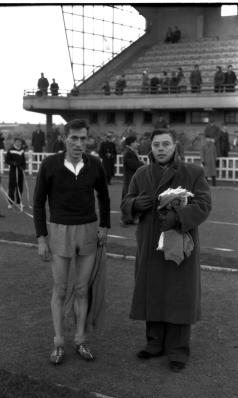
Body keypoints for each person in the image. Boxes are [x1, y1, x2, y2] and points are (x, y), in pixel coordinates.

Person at [121, 128, 211, 372]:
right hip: (150, 244)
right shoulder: (141, 173)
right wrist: (134, 205)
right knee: (154, 292)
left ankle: (178, 351)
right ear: (150, 148)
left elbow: (204, 204)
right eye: (156, 145)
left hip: (180, 245)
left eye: (165, 144)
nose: (160, 149)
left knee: (179, 295)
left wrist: (178, 217)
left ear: (175, 146)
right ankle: (154, 344)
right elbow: (125, 203)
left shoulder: (192, 172)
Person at [33, 119, 110, 365]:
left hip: (87, 229)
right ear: (65, 138)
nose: (79, 143)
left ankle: (80, 339)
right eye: (74, 138)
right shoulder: (50, 164)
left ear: (88, 139)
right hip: (59, 231)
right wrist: (41, 238)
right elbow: (38, 202)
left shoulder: (95, 164)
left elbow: (105, 197)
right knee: (60, 289)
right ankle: (58, 342)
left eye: (83, 138)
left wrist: (104, 226)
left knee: (81, 289)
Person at [120, 136, 144, 225]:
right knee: (129, 199)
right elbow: (133, 165)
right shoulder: (128, 153)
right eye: (135, 142)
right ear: (131, 143)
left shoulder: (131, 152)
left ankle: (132, 218)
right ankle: (126, 219)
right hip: (130, 180)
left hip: (131, 179)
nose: (137, 143)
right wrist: (142, 163)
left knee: (132, 199)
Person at [5, 138, 26, 208]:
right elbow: (7, 160)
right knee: (12, 187)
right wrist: (13, 163)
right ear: (15, 142)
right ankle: (10, 203)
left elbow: (23, 160)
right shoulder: (11, 150)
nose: (19, 143)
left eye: (20, 142)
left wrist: (24, 167)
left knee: (20, 187)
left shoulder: (22, 150)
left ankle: (18, 202)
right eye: (18, 142)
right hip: (13, 171)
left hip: (20, 171)